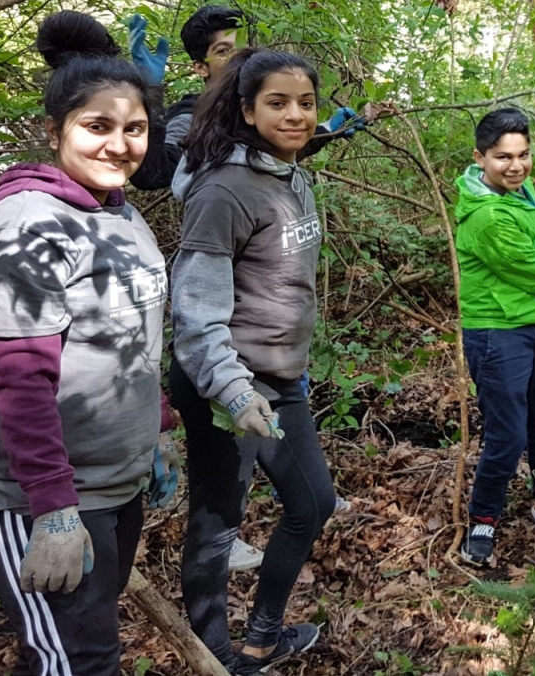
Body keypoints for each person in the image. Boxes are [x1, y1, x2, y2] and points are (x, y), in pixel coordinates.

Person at [0, 11, 167, 675]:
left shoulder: (121, 215)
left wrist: (151, 433)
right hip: (40, 498)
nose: (120, 144)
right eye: (97, 127)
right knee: (76, 664)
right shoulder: (25, 228)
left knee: (72, 656)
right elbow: (19, 381)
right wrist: (52, 509)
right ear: (55, 132)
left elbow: (129, 342)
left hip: (111, 488)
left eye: (134, 128)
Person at [169, 48, 336, 674]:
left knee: (313, 504)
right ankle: (215, 659)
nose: (296, 115)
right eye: (278, 103)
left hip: (281, 378)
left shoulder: (290, 176)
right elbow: (196, 307)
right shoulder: (223, 191)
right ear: (246, 109)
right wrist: (234, 390)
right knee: (217, 527)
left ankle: (262, 638)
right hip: (227, 385)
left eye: (306, 102)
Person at [454, 108, 535, 567]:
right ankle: (483, 518)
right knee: (507, 432)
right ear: (480, 157)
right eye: (503, 157)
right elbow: (531, 267)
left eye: (523, 155)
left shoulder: (519, 196)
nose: (516, 165)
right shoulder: (486, 215)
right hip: (497, 332)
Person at [128, 5, 358, 191]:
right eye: (223, 51)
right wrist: (150, 92)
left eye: (241, 48)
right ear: (200, 67)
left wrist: (329, 129)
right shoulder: (192, 118)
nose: (238, 57)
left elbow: (274, 147)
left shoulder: (257, 103)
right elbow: (152, 175)